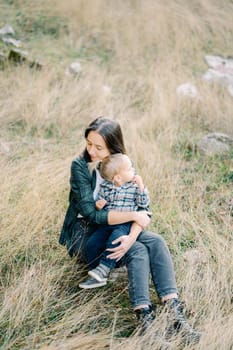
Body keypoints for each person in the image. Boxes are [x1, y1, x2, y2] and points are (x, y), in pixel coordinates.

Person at [59, 116, 202, 345]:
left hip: (116, 228)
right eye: (88, 143)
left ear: (113, 147)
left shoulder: (121, 165)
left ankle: (175, 315)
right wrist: (134, 218)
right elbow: (93, 214)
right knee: (137, 252)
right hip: (87, 235)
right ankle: (145, 320)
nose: (91, 151)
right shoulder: (81, 167)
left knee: (155, 242)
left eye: (99, 147)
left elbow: (143, 210)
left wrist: (131, 235)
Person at [80, 153, 150, 286]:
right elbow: (100, 204)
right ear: (117, 177)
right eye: (129, 169)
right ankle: (97, 272)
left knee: (115, 240)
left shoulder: (134, 187)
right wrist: (98, 205)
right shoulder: (106, 187)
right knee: (92, 243)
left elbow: (143, 204)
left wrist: (141, 187)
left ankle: (105, 268)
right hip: (109, 222)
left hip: (124, 224)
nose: (133, 170)